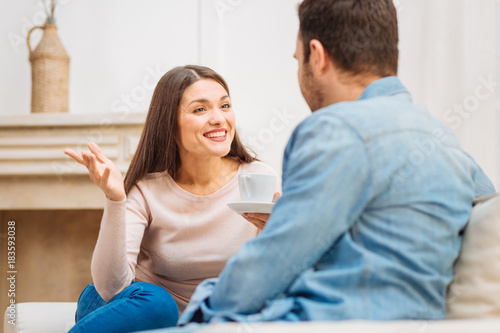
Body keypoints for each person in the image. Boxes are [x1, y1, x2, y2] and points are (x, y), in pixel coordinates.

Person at [177, 0, 496, 324]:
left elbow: (268, 270)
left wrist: (203, 304)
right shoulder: (444, 140)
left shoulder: (332, 128)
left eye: (298, 60)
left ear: (317, 56)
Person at [64, 65, 278, 333]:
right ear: (170, 125)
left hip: (208, 317)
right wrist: (115, 199)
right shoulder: (147, 189)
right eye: (200, 109)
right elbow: (109, 288)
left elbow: (277, 279)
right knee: (159, 305)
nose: (219, 119)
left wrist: (277, 234)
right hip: (136, 305)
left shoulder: (259, 179)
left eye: (224, 106)